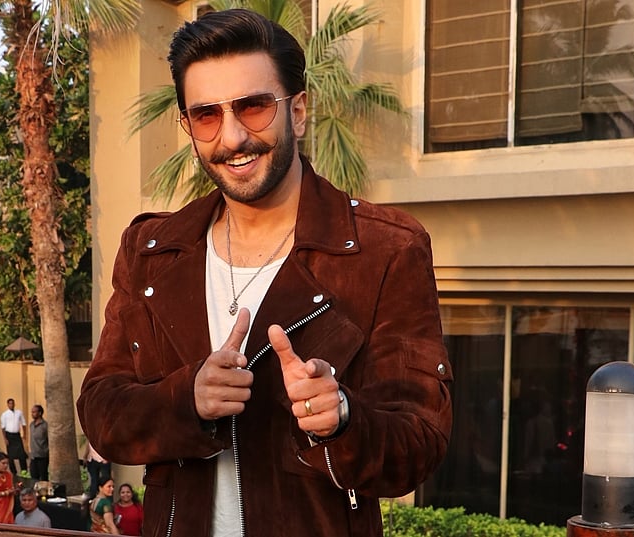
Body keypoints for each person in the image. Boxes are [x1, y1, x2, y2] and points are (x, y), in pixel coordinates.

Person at [77, 9, 453, 537]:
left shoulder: (385, 250)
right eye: (206, 115)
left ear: (297, 112)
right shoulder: (152, 250)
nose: (232, 137)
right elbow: (101, 411)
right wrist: (186, 399)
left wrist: (343, 418)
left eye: (253, 107)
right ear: (188, 126)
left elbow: (420, 444)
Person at [0, 398, 27, 475]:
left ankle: (24, 471)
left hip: (17, 435)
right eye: (10, 403)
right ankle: (13, 472)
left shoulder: (19, 413)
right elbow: (3, 427)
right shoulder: (4, 414)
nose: (11, 405)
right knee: (10, 456)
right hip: (9, 435)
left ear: (14, 404)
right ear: (7, 404)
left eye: (12, 403)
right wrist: (5, 438)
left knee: (22, 454)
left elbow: (23, 423)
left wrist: (24, 434)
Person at [28, 404, 49, 481]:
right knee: (33, 476)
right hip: (33, 456)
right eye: (32, 412)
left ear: (40, 413)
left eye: (34, 412)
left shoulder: (45, 425)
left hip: (42, 456)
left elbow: (49, 439)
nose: (32, 414)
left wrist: (46, 451)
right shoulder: (31, 425)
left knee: (43, 476)